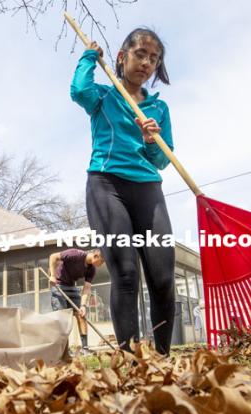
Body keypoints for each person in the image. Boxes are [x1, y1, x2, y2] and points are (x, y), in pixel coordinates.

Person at [70, 28, 175, 355]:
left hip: (148, 189)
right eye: (141, 54)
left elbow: (162, 159)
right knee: (126, 274)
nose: (147, 63)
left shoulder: (159, 109)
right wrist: (89, 57)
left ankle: (162, 358)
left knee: (162, 279)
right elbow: (78, 91)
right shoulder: (104, 96)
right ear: (122, 57)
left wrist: (149, 141)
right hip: (106, 185)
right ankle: (132, 362)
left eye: (153, 59)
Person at [49, 248, 104, 354]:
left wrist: (83, 305)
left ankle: (85, 349)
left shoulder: (91, 269)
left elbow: (87, 288)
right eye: (101, 261)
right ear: (96, 256)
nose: (101, 264)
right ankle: (65, 351)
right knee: (62, 319)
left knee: (81, 315)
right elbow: (53, 256)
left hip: (71, 287)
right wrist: (52, 275)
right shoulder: (75, 254)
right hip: (59, 285)